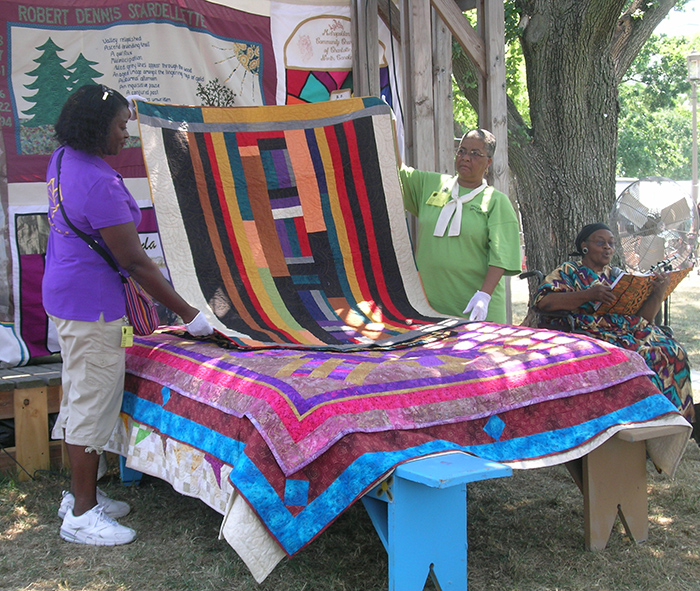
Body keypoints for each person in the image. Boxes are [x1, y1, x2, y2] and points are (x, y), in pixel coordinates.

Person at [43, 84, 214, 546]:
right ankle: (81, 515)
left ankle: (82, 496)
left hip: (66, 296)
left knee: (79, 393)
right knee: (91, 405)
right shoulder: (99, 183)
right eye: (121, 126)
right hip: (91, 307)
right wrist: (191, 315)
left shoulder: (62, 160)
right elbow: (135, 262)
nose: (127, 136)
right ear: (98, 127)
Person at [534, 222, 695, 425]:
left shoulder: (617, 275)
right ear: (584, 246)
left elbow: (644, 319)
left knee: (672, 350)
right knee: (641, 356)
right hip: (588, 330)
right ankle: (645, 423)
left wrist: (658, 293)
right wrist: (587, 295)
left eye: (611, 243)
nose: (607, 247)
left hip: (625, 329)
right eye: (600, 242)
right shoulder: (570, 270)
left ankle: (675, 423)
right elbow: (544, 302)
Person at [399, 129, 521, 323]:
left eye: (475, 154)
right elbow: (396, 171)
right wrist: (386, 120)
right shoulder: (431, 184)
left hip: (474, 309)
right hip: (429, 308)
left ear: (488, 162)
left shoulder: (496, 202)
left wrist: (484, 295)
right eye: (462, 151)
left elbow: (502, 255)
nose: (465, 158)